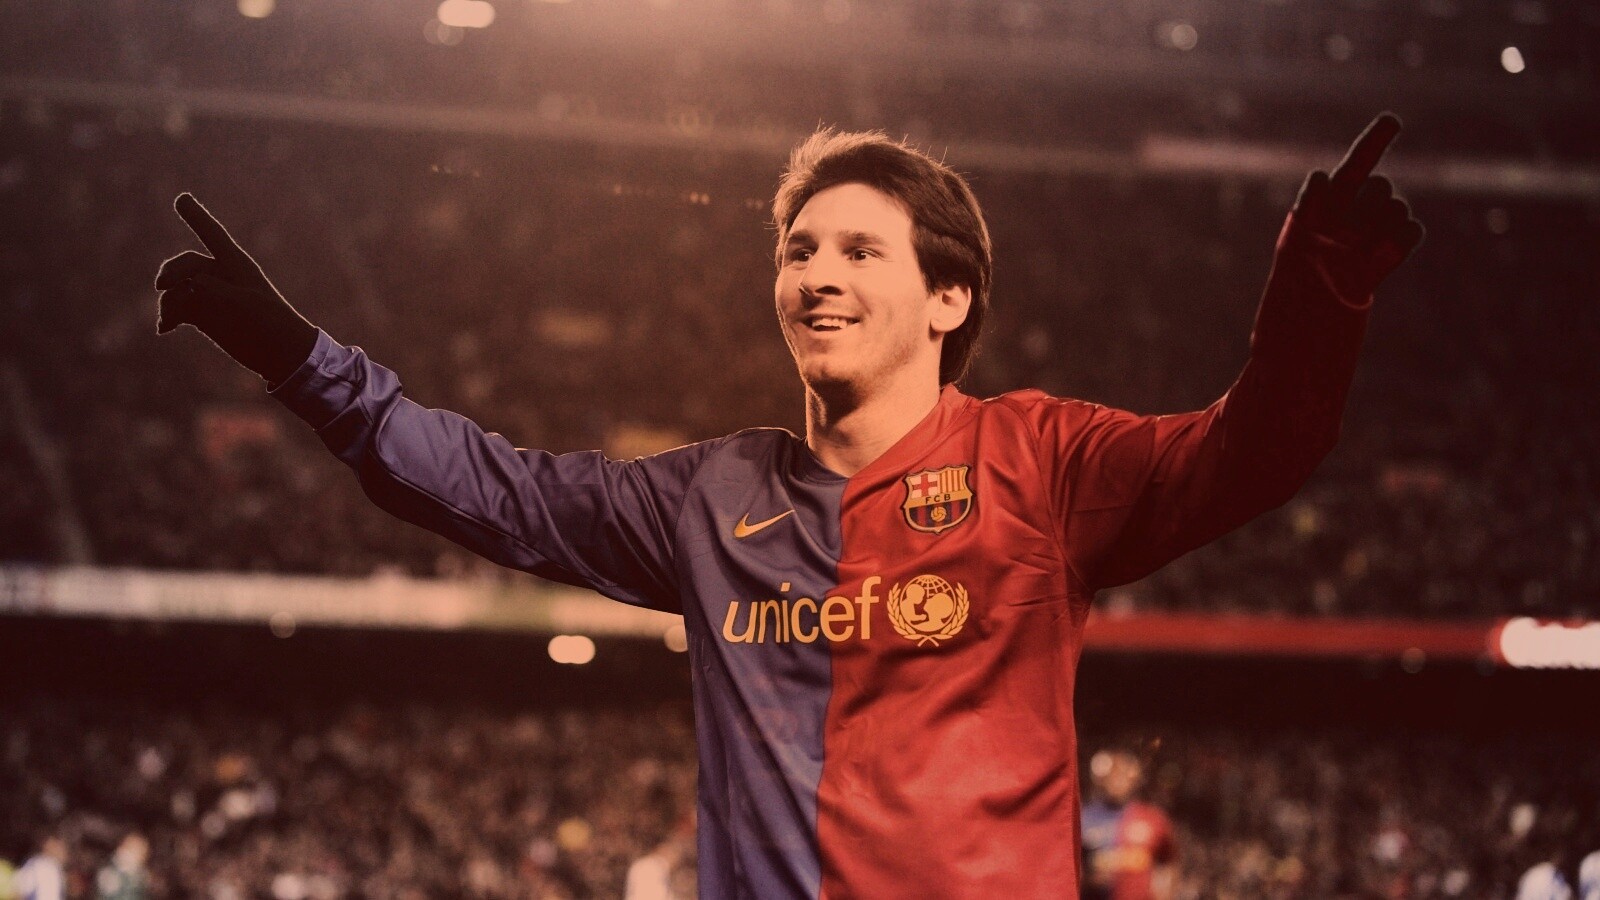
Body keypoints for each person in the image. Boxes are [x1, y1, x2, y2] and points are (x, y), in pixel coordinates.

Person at [153, 114, 1422, 898]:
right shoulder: (711, 498)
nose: (815, 274)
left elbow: (1252, 452)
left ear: (949, 299)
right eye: (797, 249)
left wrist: (1319, 291)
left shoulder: (1040, 463)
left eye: (859, 250)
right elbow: (493, 488)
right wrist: (298, 357)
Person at [1080, 748, 1175, 900]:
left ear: (1134, 779)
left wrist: (1164, 893)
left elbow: (1169, 860)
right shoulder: (1085, 817)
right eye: (1113, 775)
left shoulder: (1152, 818)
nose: (1118, 781)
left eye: (1123, 775)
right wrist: (1088, 880)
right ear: (1102, 779)